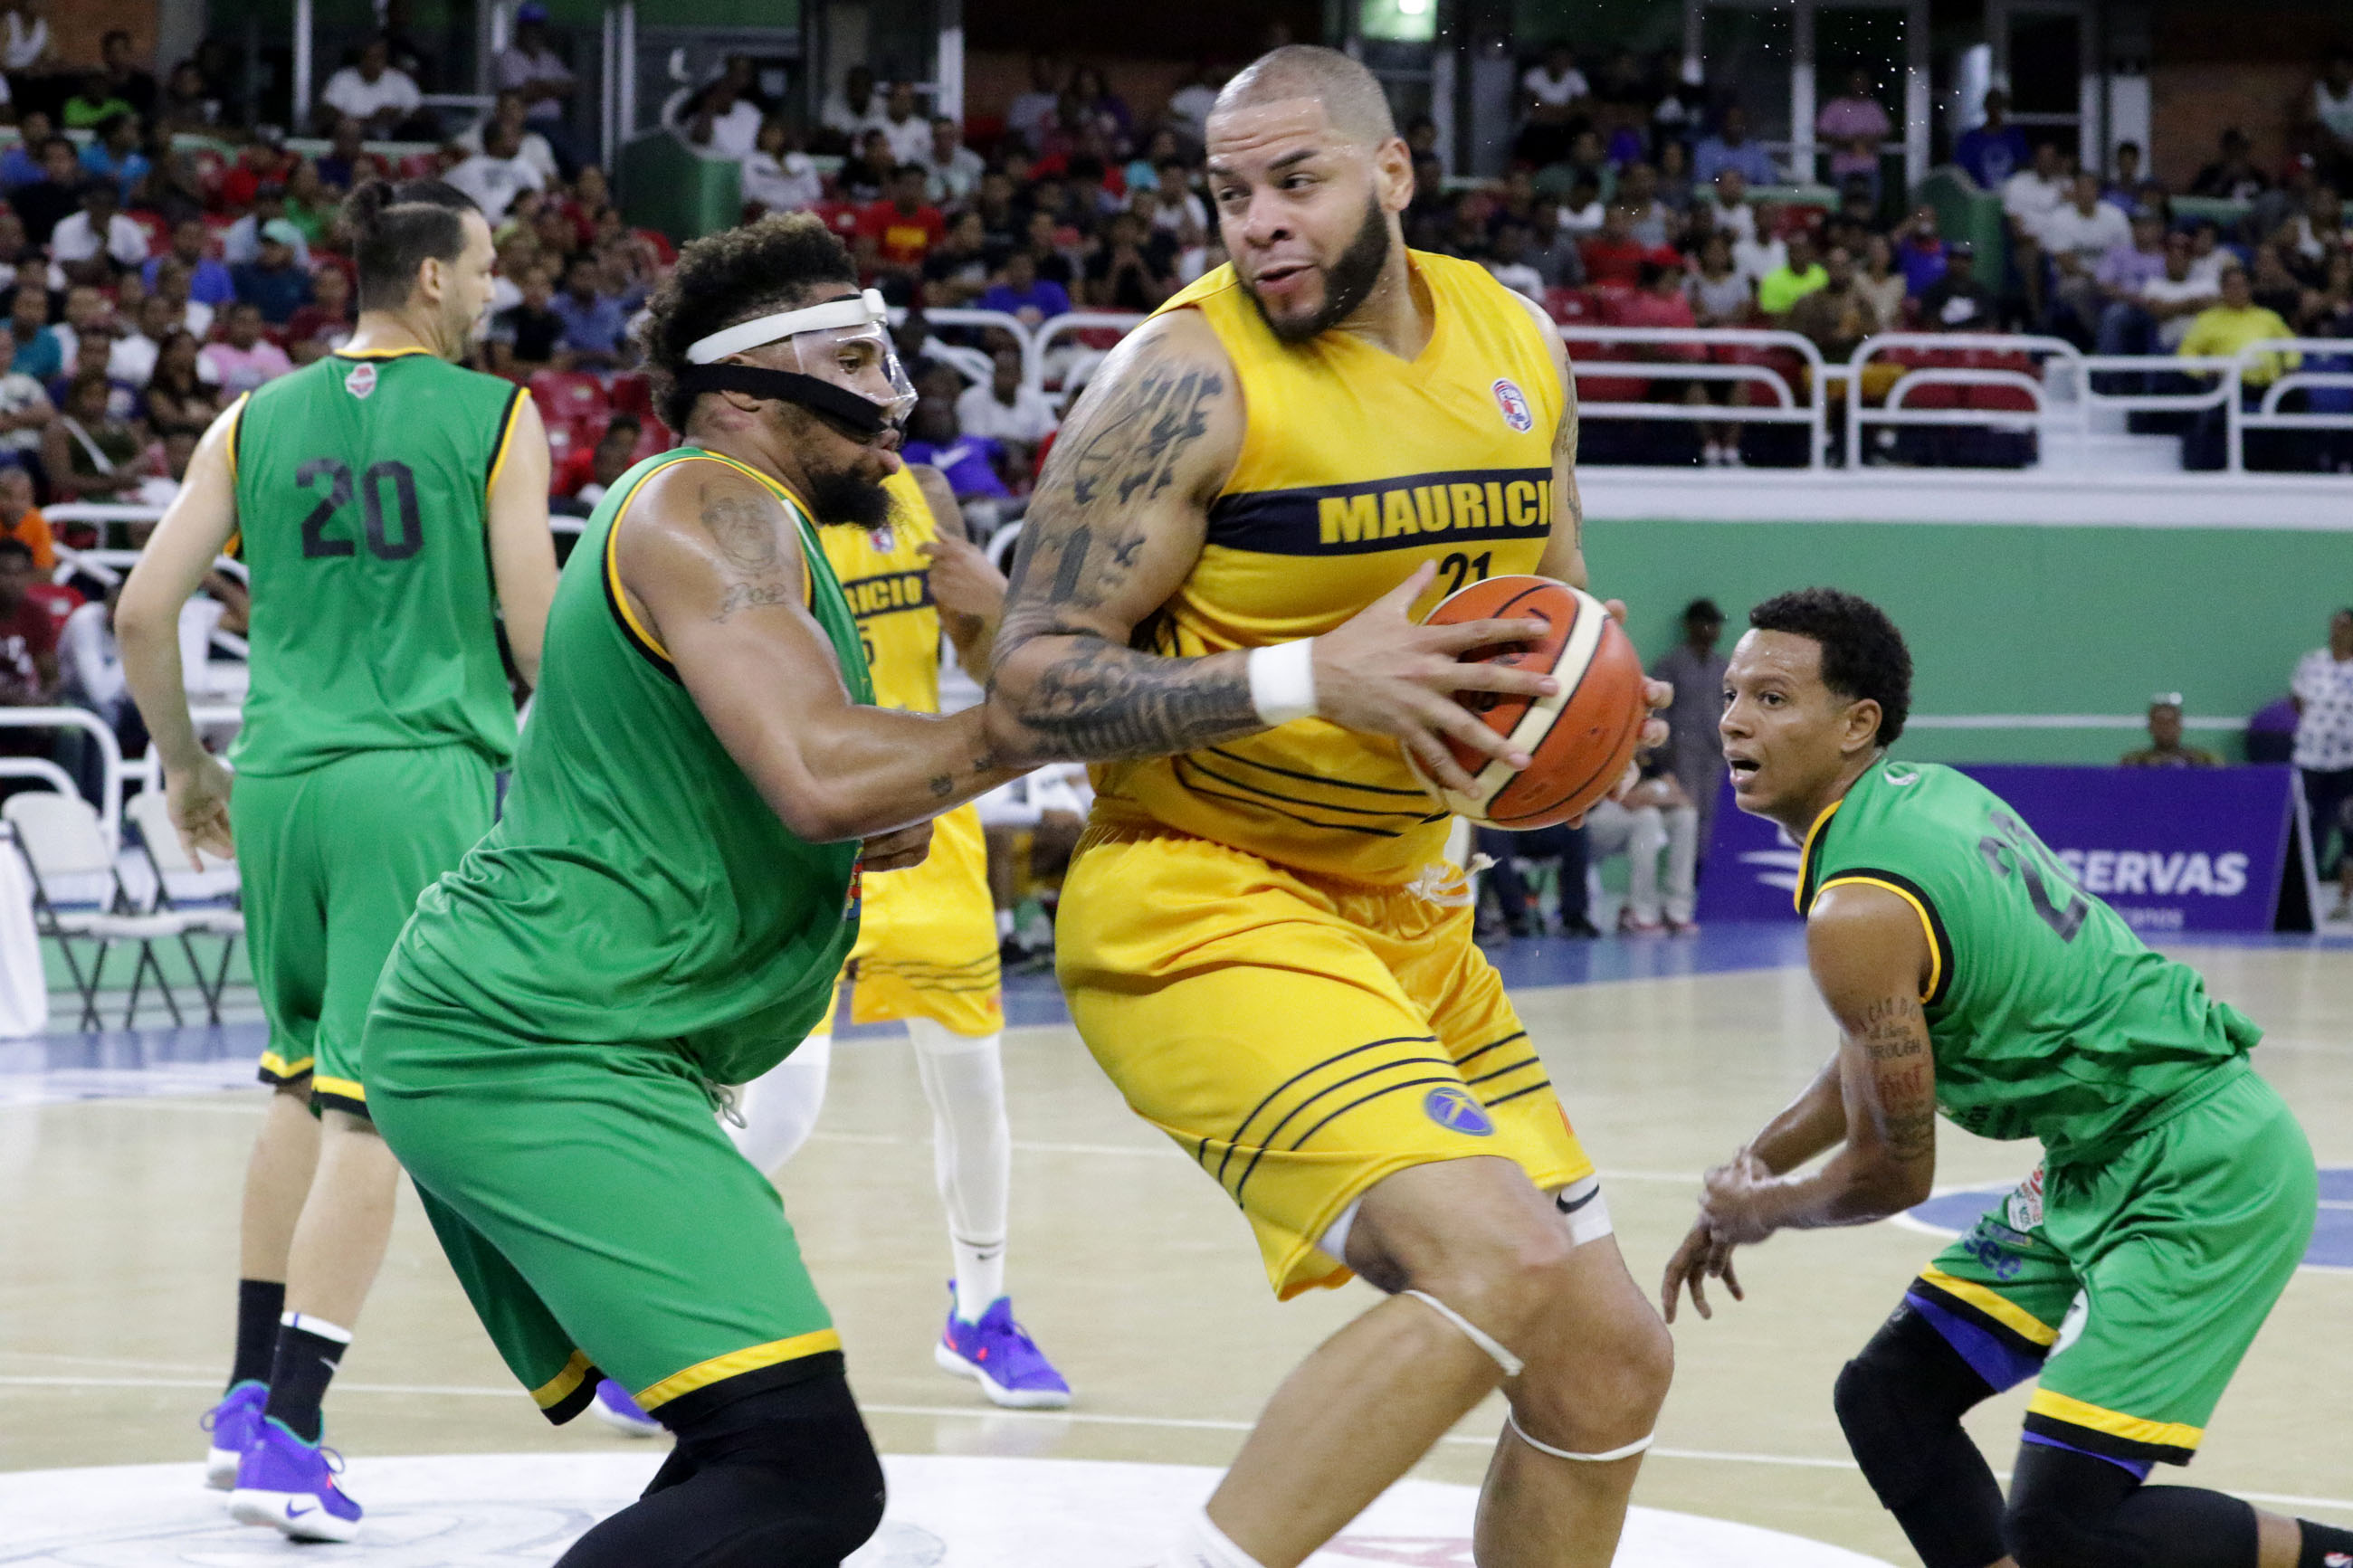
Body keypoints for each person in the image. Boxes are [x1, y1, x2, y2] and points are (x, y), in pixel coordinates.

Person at [986, 46, 1675, 1568]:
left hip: (1414, 914)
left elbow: (1551, 600)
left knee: (1609, 1355)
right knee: (1496, 1261)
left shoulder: (1519, 341)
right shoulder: (1182, 378)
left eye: (1296, 182)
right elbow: (1027, 684)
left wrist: (1591, 714)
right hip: (1201, 893)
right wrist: (1307, 678)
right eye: (1231, 193)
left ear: (1395, 172)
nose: (1260, 222)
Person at [357, 213, 1042, 1568]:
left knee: (749, 1461)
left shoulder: (750, 516)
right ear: (744, 390)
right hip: (539, 1039)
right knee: (798, 1471)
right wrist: (1068, 715)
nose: (892, 395)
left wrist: (855, 814)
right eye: (852, 360)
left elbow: (775, 774)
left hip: (587, 1027)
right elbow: (818, 774)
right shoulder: (709, 505)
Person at [1662, 586, 2348, 1568]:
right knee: (1890, 1396)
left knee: (2066, 1528)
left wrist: (1764, 1208)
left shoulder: (1858, 911)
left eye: (1771, 698)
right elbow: (1873, 1045)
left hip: (2199, 1169)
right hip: (2099, 1154)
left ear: (1857, 724)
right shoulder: (1924, 792)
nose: (1732, 719)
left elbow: (1894, 1174)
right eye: (1733, 693)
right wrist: (1752, 1166)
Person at [116, 177, 558, 1544]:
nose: (493, 287)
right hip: (412, 784)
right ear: (429, 278)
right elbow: (536, 636)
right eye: (483, 266)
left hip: (280, 786)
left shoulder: (250, 419)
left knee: (298, 1082)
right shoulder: (495, 416)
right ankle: (293, 1432)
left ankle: (246, 1393)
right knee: (376, 1108)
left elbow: (141, 609)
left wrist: (188, 767)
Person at [710, 459, 1073, 1422]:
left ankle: (981, 1312)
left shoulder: (923, 496)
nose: (884, 399)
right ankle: (651, 1303)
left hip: (926, 823)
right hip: (804, 829)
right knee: (783, 1107)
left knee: (974, 1089)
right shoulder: (746, 504)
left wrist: (997, 606)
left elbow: (999, 668)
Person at [1649, 597, 1729, 846]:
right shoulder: (1671, 664)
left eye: (1715, 624)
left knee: (1712, 810)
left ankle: (1703, 864)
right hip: (1683, 749)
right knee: (1688, 809)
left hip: (1715, 749)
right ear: (1690, 626)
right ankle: (1689, 864)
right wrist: (1663, 748)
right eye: (1706, 623)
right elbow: (1658, 708)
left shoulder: (1723, 667)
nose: (1712, 630)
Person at [2291, 607, 2353, 924]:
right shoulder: (2313, 661)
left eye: (2345, 625)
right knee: (2309, 825)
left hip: (2348, 760)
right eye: (2334, 624)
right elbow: (2297, 701)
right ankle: (2304, 899)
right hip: (2311, 758)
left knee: (2349, 825)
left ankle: (2345, 899)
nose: (2337, 630)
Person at [1585, 765, 1698, 933]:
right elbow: (1625, 799)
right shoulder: (1609, 752)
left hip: (1639, 814)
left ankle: (1676, 910)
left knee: (1685, 816)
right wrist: (1654, 795)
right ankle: (1640, 912)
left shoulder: (1652, 754)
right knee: (1648, 817)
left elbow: (1680, 796)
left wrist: (1652, 795)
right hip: (1596, 821)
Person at [493, 2, 577, 170]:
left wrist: (538, 87)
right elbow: (519, 94)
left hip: (555, 123)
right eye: (530, 26)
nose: (534, 31)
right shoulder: (508, 57)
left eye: (538, 26)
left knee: (573, 141)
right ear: (520, 28)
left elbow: (572, 86)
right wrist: (552, 88)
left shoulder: (548, 57)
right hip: (527, 122)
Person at [956, 344, 1056, 471]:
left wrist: (1014, 446)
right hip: (986, 466)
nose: (1003, 379)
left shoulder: (1035, 400)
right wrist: (1014, 448)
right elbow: (975, 445)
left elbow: (1050, 439)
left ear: (1020, 376)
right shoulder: (972, 399)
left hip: (1028, 465)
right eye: (1000, 372)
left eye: (1009, 373)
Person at [49, 177, 148, 284]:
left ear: (116, 207)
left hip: (118, 288)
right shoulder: (66, 227)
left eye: (108, 204)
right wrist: (104, 243)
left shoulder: (128, 227)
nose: (102, 209)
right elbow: (76, 275)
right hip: (78, 288)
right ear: (85, 202)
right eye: (97, 203)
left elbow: (137, 266)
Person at [319, 37, 423, 138]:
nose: (372, 63)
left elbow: (419, 112)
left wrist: (399, 113)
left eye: (378, 58)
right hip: (351, 138)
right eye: (368, 57)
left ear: (385, 59)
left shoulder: (400, 80)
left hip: (393, 139)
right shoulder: (342, 78)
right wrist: (371, 121)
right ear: (360, 59)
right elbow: (328, 112)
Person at [445, 119, 545, 222]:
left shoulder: (526, 166)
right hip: (487, 225)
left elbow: (540, 197)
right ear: (494, 141)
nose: (517, 141)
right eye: (511, 137)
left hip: (525, 225)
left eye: (517, 136)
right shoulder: (469, 167)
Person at [1815, 68, 1891, 195]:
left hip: (1869, 167)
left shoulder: (1874, 107)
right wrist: (1847, 142)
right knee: (1840, 203)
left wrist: (1868, 140)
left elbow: (1885, 132)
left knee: (1872, 201)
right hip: (1841, 168)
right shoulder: (1836, 106)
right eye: (1856, 81)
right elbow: (1822, 133)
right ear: (1849, 82)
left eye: (1863, 81)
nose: (1859, 84)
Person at [548, 252, 627, 368]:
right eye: (581, 275)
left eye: (593, 275)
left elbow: (623, 354)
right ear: (568, 277)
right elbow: (559, 357)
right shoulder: (555, 308)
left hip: (607, 375)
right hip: (567, 375)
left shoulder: (612, 309)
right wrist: (599, 355)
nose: (588, 281)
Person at [198, 303, 295, 395]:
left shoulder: (276, 354)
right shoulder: (211, 353)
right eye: (242, 322)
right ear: (229, 324)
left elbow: (288, 388)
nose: (248, 328)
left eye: (254, 322)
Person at [231, 221, 315, 325]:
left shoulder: (302, 280)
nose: (267, 251)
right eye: (265, 245)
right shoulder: (242, 274)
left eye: (274, 247)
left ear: (290, 250)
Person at [1954, 88, 2032, 191]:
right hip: (1978, 194)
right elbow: (1959, 171)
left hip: (2010, 193)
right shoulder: (1970, 139)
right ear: (1986, 107)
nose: (1995, 111)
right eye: (1992, 106)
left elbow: (2024, 165)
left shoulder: (2014, 136)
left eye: (1998, 106)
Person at [743, 116, 822, 214]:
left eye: (776, 133)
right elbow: (750, 193)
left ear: (785, 135)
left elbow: (815, 192)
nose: (772, 138)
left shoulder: (802, 160)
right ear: (761, 136)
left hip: (800, 213)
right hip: (768, 213)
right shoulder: (752, 161)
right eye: (768, 134)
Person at [2120, 692, 2219, 767]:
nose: (2165, 728)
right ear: (2150, 727)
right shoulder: (2133, 762)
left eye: (2170, 722)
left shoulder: (2204, 761)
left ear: (2180, 726)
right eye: (2160, 722)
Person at [1694, 102, 1778, 187]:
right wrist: (1720, 180)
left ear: (1745, 124)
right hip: (1715, 195)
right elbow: (1702, 182)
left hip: (1749, 195)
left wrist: (1742, 182)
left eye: (1739, 121)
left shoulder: (1756, 151)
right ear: (1723, 122)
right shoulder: (1705, 149)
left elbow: (1769, 183)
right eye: (1731, 121)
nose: (1735, 125)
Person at [0, 463, 54, 567]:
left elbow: (45, 570)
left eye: (23, 497)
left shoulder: (37, 522)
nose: (15, 504)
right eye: (7, 496)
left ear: (32, 499)